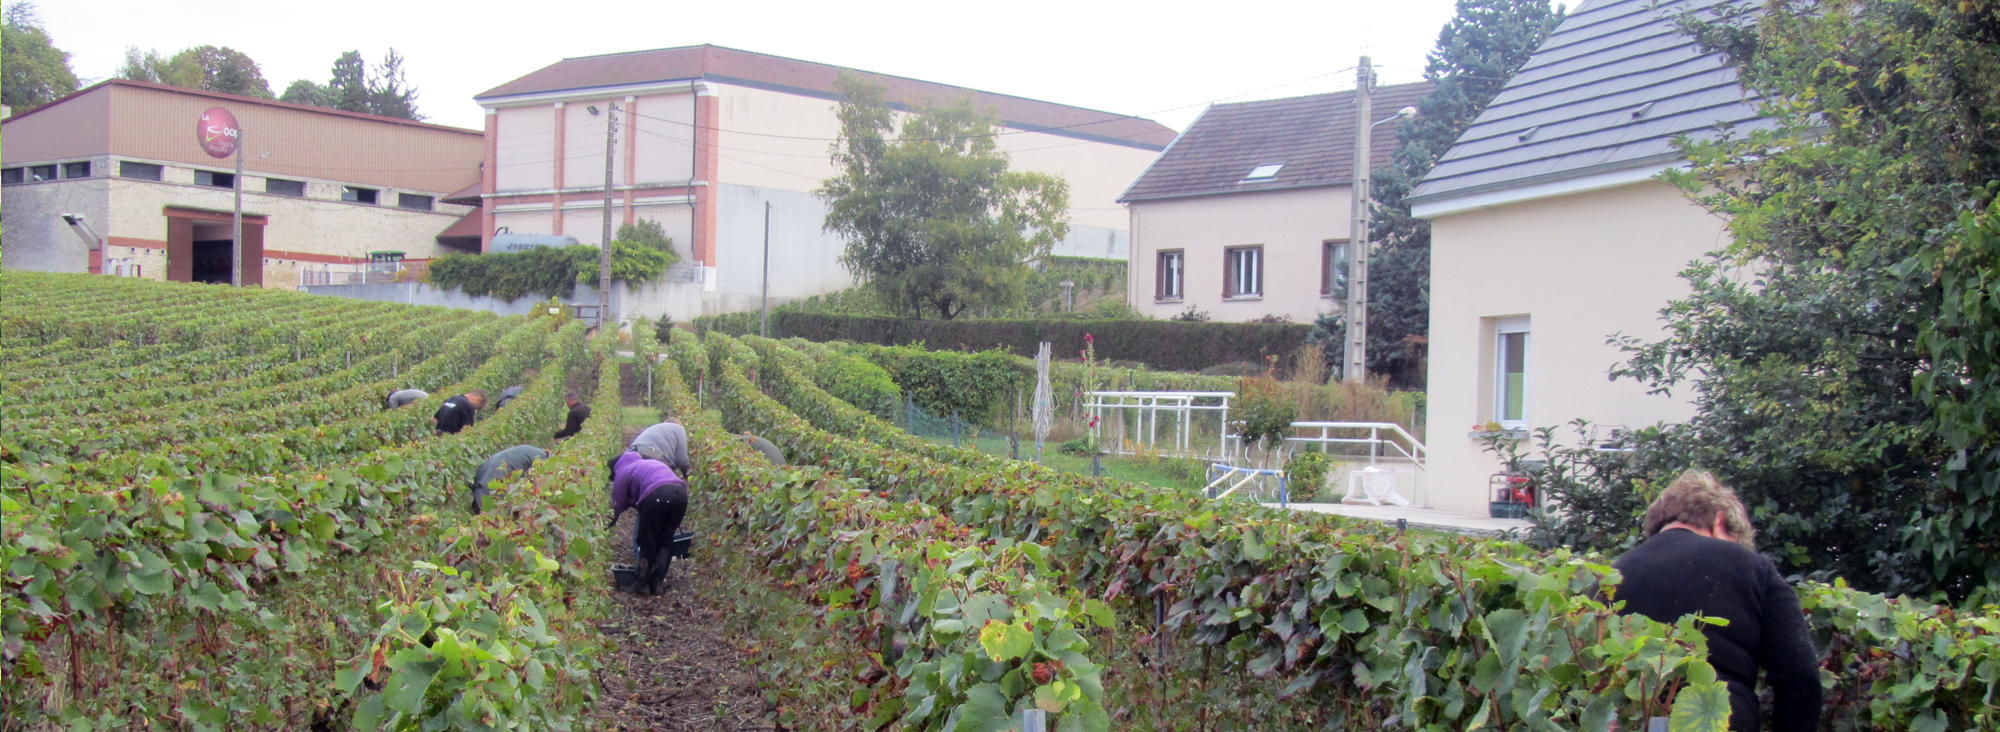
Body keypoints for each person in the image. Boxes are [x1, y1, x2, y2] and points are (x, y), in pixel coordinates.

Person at [1609, 471, 1821, 731]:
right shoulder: (1753, 568)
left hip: (1632, 718)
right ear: (1720, 520)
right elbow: (1800, 674)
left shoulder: (1610, 578)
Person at [609, 447, 688, 596]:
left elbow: (615, 507)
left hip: (657, 495)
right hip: (681, 494)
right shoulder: (644, 464)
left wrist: (605, 526)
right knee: (665, 540)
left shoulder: (621, 472)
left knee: (647, 541)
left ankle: (642, 585)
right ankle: (657, 586)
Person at [467, 444, 548, 515]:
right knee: (496, 520)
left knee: (487, 522)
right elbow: (543, 488)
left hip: (483, 481)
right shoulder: (542, 459)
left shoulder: (532, 451)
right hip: (494, 483)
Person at [625, 417, 691, 476]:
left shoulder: (655, 427)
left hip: (631, 452)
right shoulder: (679, 428)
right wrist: (687, 474)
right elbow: (682, 460)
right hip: (651, 455)